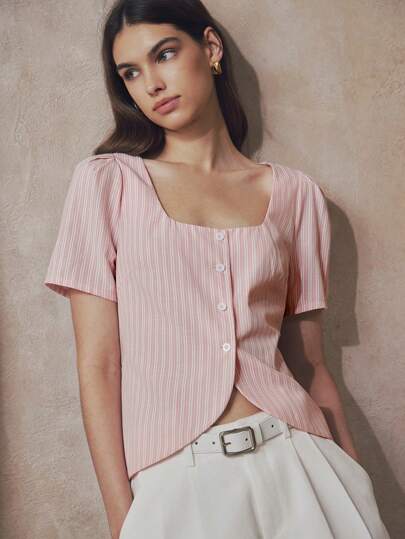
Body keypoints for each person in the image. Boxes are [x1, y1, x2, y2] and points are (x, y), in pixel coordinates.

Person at [43, 1, 391, 538]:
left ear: (210, 48)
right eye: (130, 73)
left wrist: (356, 485)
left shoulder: (295, 195)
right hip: (178, 480)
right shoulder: (107, 184)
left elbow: (311, 365)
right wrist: (122, 518)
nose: (152, 84)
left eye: (164, 54)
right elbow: (99, 366)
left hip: (300, 462)